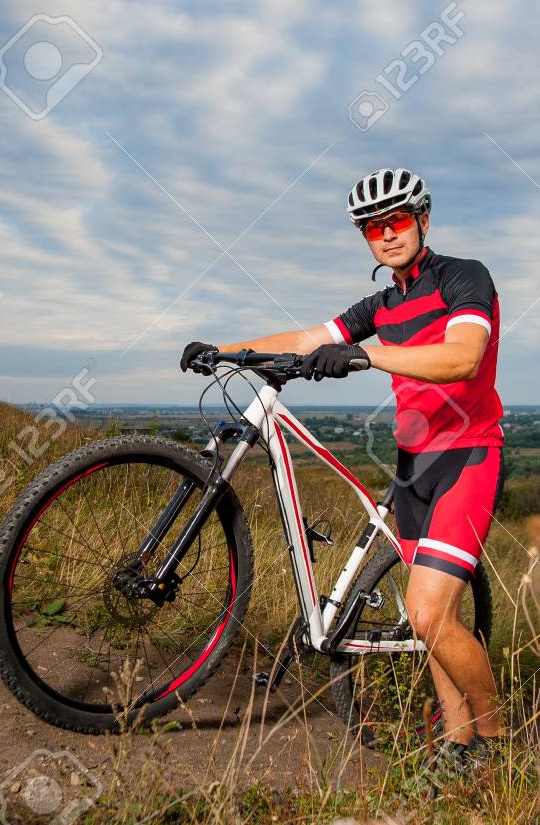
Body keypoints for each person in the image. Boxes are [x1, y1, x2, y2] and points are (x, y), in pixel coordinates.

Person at [179, 168, 508, 767]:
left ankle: (498, 741)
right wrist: (225, 351)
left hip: (467, 456)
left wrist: (365, 353)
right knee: (427, 620)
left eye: (397, 221)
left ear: (422, 220)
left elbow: (463, 356)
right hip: (413, 465)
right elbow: (308, 336)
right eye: (372, 228)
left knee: (429, 614)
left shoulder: (463, 277)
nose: (386, 235)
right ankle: (457, 740)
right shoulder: (381, 303)